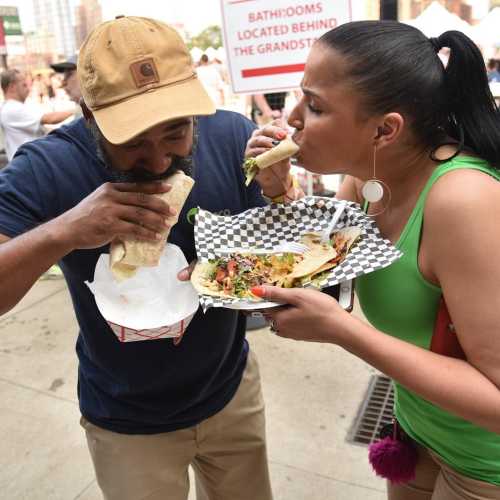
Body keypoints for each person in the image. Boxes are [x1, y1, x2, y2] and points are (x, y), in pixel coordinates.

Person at [0, 16, 295, 500]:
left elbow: (281, 265)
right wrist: (67, 230)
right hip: (125, 421)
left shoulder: (232, 137)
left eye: (176, 133)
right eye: (133, 141)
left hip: (230, 391)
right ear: (90, 116)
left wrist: (280, 194)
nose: (158, 162)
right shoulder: (49, 168)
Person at [251, 21, 500, 499]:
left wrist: (343, 332)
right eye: (299, 96)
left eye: (316, 105)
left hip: (483, 463)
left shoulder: (463, 202)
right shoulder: (367, 179)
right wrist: (276, 187)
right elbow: (318, 260)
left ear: (385, 129)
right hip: (416, 430)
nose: (294, 118)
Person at [0, 69, 75, 160]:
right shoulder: (12, 108)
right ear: (12, 87)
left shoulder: (11, 107)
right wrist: (76, 111)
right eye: (24, 85)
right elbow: (49, 119)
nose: (28, 89)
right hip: (28, 165)